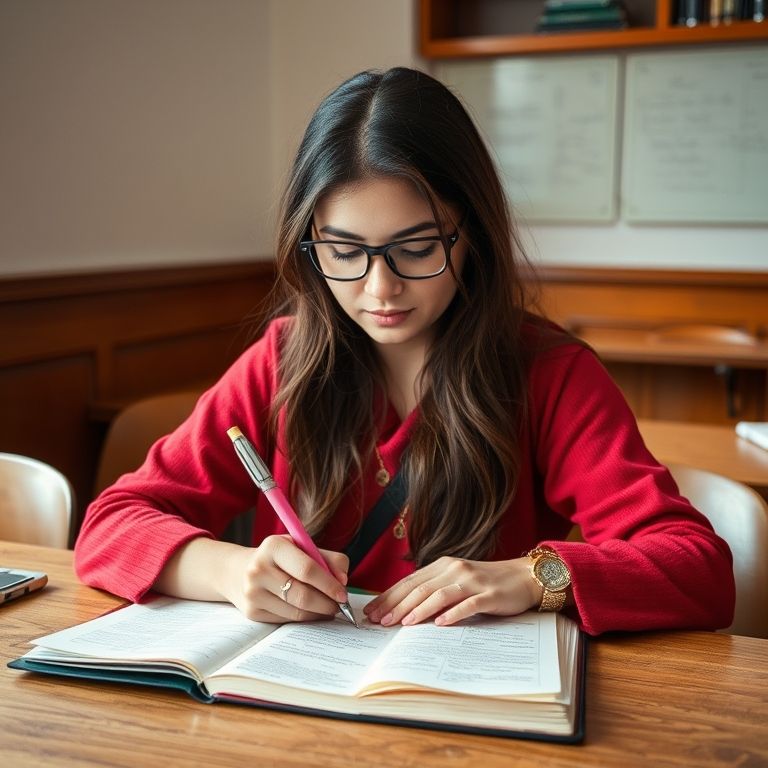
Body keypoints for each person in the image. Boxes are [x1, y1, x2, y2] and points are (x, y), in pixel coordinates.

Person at [75, 67, 734, 636]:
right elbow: (109, 524)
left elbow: (698, 566)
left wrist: (535, 576)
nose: (380, 287)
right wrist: (229, 569)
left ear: (469, 233)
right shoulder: (285, 358)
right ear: (309, 242)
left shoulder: (550, 374)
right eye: (344, 252)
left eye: (416, 248)